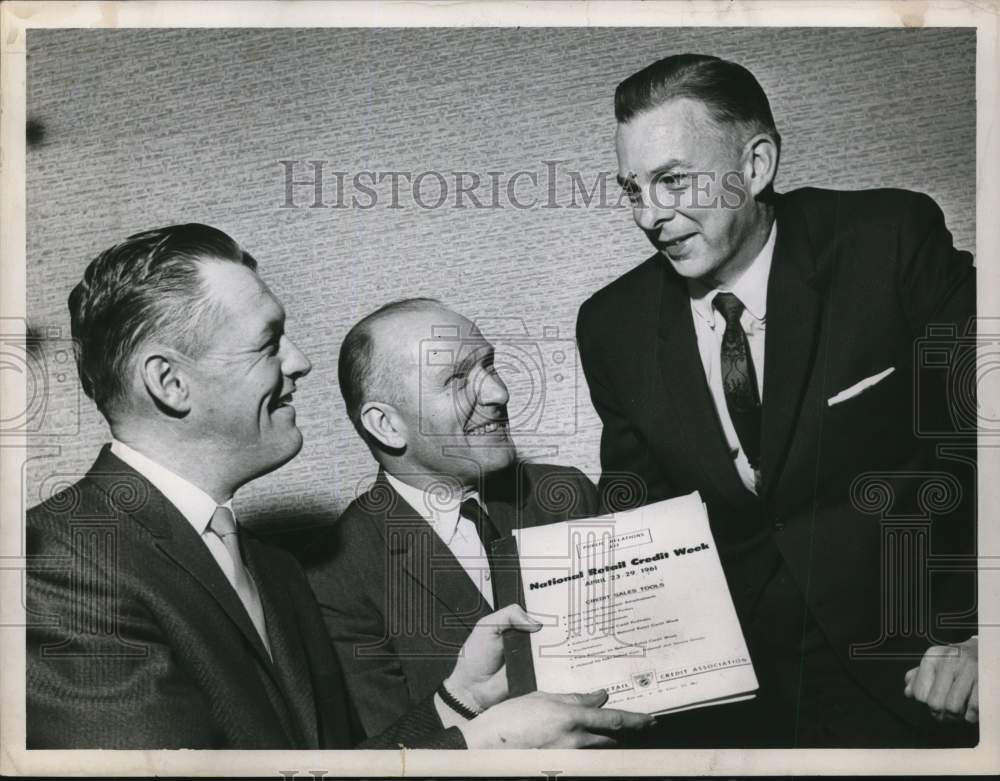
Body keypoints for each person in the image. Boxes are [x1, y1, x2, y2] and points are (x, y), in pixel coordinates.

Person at [26, 224, 654, 749]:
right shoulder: (59, 561)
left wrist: (458, 701)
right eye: (269, 343)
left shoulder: (271, 567)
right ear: (169, 383)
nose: (299, 362)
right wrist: (483, 748)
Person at [575, 54, 977, 747]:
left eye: (672, 181)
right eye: (632, 189)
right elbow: (638, 512)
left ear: (756, 165)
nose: (649, 215)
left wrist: (985, 634)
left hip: (928, 667)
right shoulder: (611, 325)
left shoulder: (889, 239)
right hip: (742, 711)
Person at [303, 298, 602, 738]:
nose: (499, 393)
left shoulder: (567, 494)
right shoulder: (336, 577)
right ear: (386, 425)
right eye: (458, 379)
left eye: (489, 366)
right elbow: (394, 750)